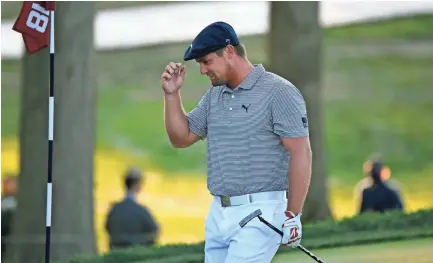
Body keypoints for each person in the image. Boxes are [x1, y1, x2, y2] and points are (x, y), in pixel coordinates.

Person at [160, 21, 312, 262]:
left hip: (260, 214)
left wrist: (293, 214)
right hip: (218, 214)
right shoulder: (214, 96)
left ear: (229, 52)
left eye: (206, 61)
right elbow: (181, 138)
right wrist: (171, 93)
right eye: (199, 63)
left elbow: (300, 152)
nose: (202, 70)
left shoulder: (278, 91)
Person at [105, 167, 160, 250]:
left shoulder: (114, 210)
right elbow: (154, 231)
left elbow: (107, 228)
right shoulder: (141, 211)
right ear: (137, 186)